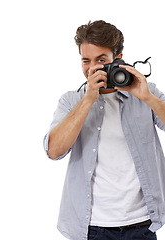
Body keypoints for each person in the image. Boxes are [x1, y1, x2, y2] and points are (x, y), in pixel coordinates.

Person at [43, 20, 165, 240]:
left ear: (117, 59)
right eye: (86, 61)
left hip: (142, 224)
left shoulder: (146, 92)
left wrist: (147, 97)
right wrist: (88, 100)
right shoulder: (72, 101)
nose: (92, 68)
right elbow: (54, 151)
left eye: (101, 60)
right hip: (91, 227)